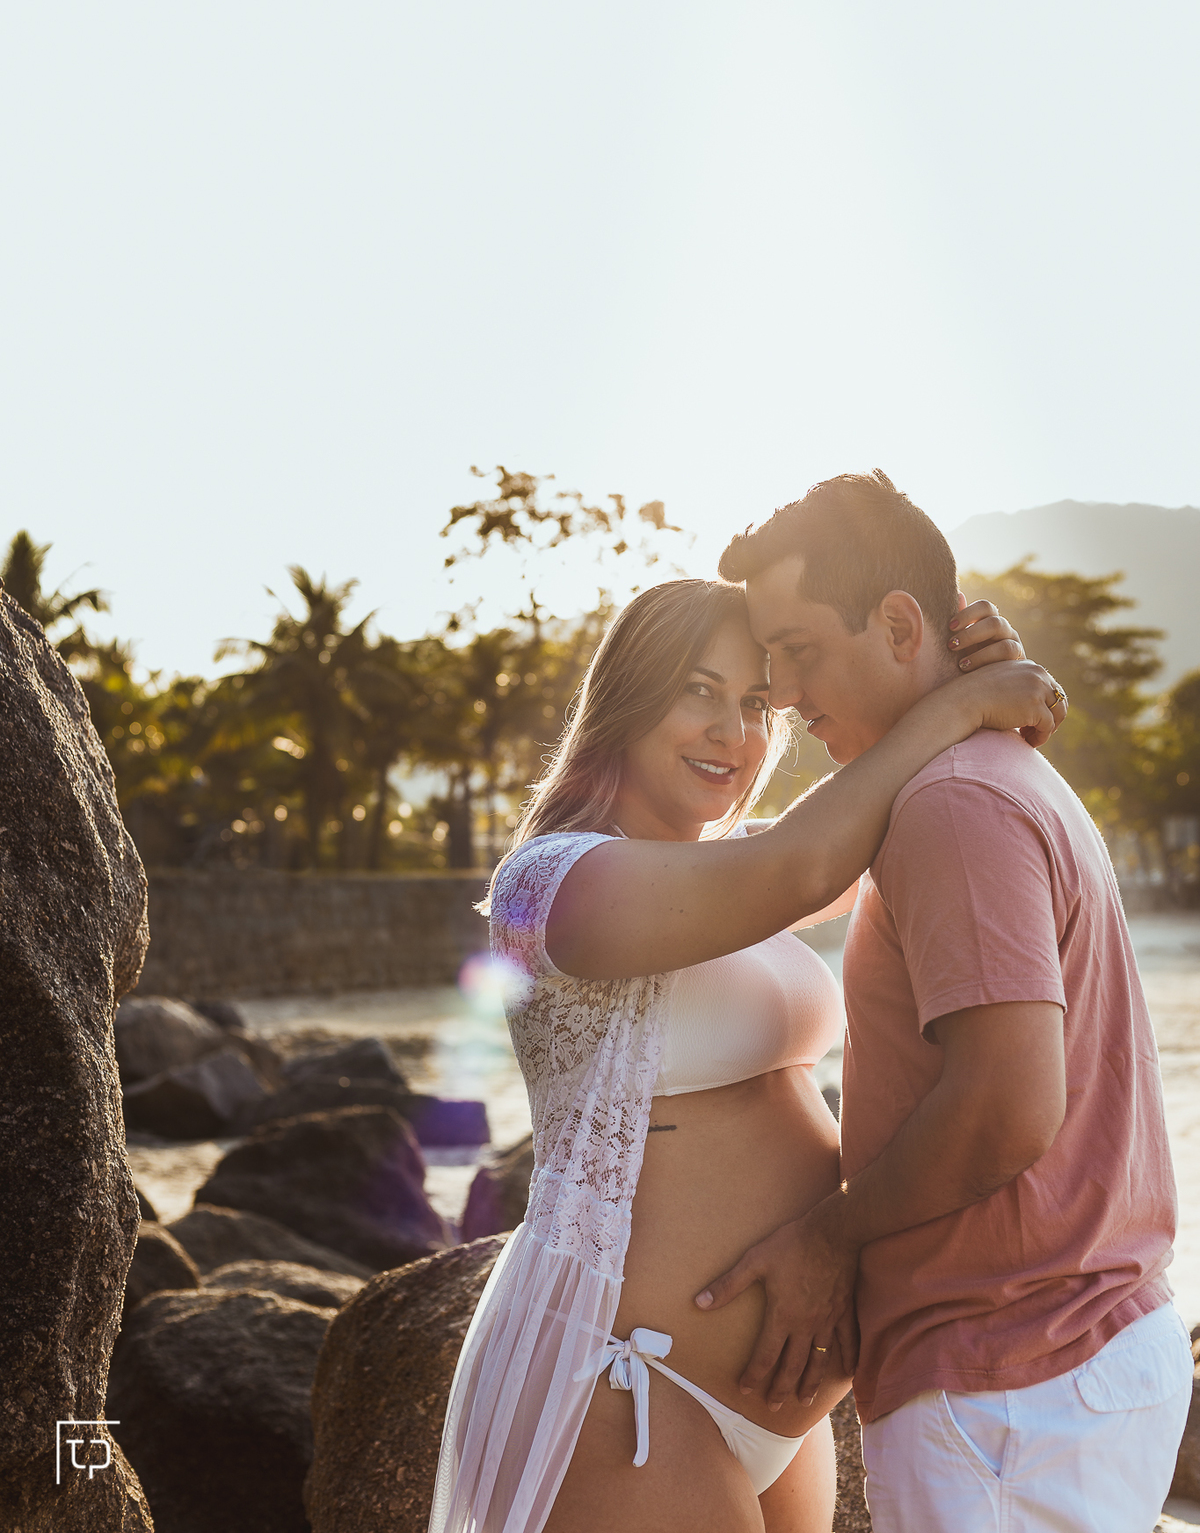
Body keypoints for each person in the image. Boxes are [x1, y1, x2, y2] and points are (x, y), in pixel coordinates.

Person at [428, 571, 1065, 1533]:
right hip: (624, 1383)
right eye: (699, 692)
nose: (736, 733)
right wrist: (963, 701)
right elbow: (806, 861)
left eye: (758, 702)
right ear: (628, 700)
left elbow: (880, 824)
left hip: (770, 1405)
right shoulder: (549, 883)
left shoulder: (726, 871)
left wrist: (947, 670)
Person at [696, 470, 1191, 1533]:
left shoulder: (954, 807)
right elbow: (782, 873)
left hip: (1012, 1383)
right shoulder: (978, 774)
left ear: (899, 623)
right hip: (1059, 1364)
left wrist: (828, 1241)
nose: (780, 690)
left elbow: (1009, 1106)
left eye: (799, 650)